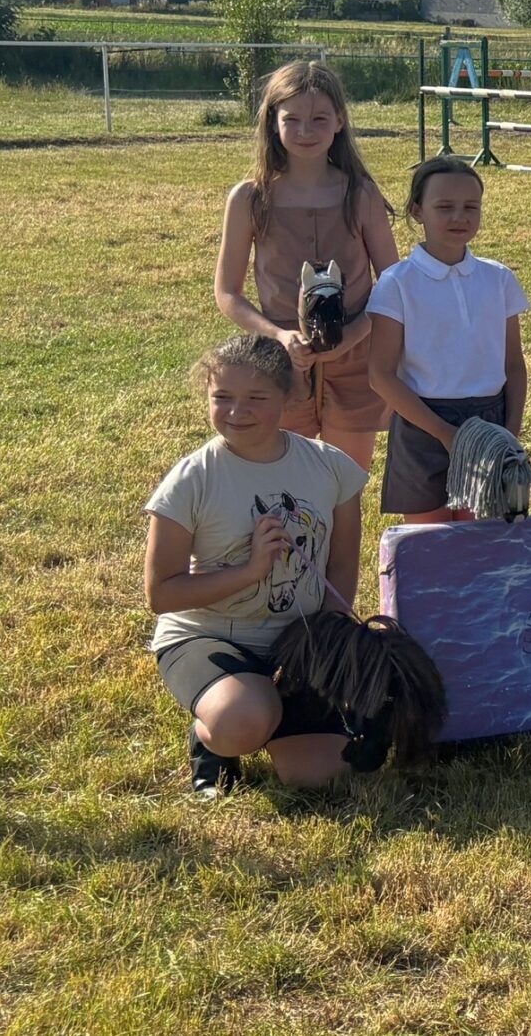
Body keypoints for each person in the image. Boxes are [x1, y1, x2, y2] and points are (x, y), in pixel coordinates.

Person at [146, 335, 370, 796]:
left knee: (320, 776)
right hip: (208, 635)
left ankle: (274, 705)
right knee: (241, 721)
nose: (236, 411)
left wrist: (327, 638)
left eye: (256, 398)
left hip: (298, 640)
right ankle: (214, 735)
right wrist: (249, 572)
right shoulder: (190, 480)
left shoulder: (332, 468)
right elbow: (161, 594)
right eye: (222, 397)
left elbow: (343, 561)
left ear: (288, 398)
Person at [213, 61, 398, 474]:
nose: (305, 131)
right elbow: (227, 293)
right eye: (291, 119)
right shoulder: (249, 198)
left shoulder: (360, 194)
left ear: (339, 121)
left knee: (345, 481)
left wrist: (350, 337)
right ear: (272, 122)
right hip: (279, 362)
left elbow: (394, 284)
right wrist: (279, 336)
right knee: (285, 482)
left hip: (355, 359)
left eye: (318, 119)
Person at [366, 157, 528, 524]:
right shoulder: (397, 283)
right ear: (417, 211)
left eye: (471, 207)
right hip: (422, 425)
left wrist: (510, 432)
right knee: (430, 541)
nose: (459, 217)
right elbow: (381, 375)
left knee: (486, 538)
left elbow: (514, 366)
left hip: (489, 422)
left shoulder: (498, 279)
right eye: (444, 207)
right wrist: (444, 433)